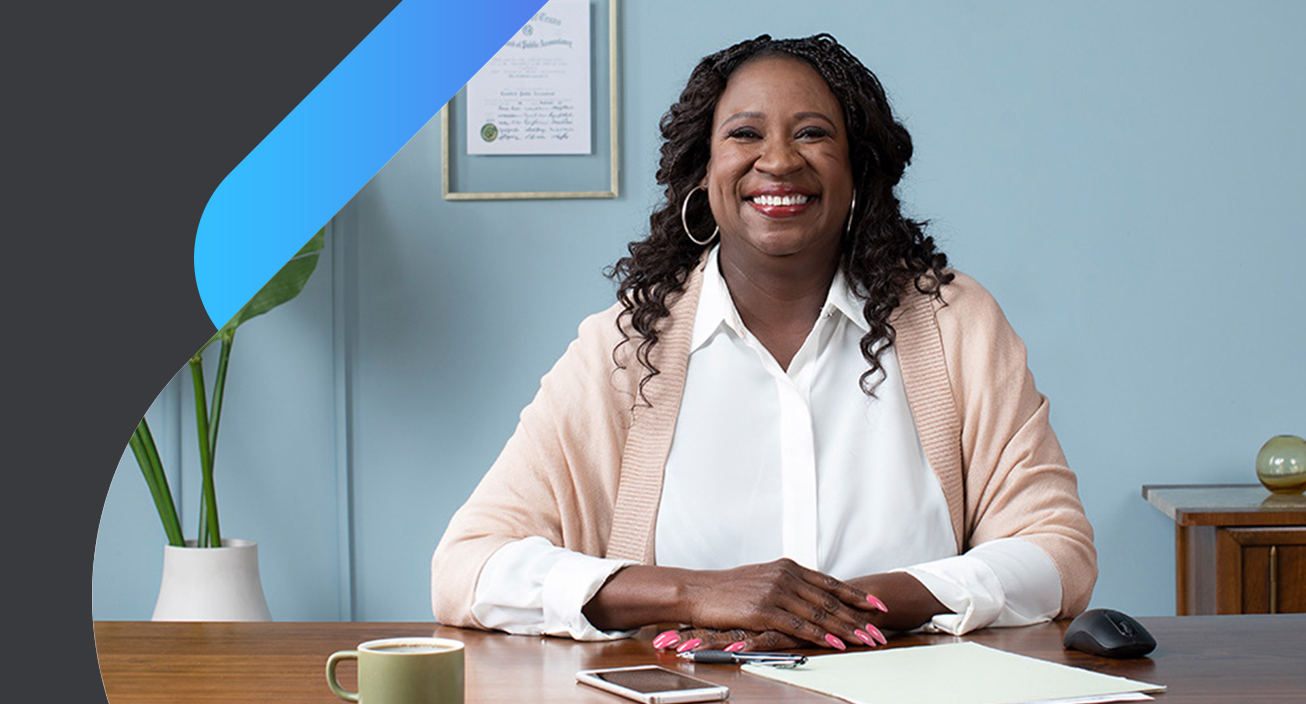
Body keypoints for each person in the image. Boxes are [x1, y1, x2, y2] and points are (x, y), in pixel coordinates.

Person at [431, 34, 1095, 653]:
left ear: (858, 170)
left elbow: (1058, 551)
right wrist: (703, 592)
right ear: (703, 170)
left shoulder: (956, 324)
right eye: (745, 134)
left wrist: (860, 605)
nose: (778, 161)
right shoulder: (625, 351)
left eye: (812, 134)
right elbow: (467, 567)